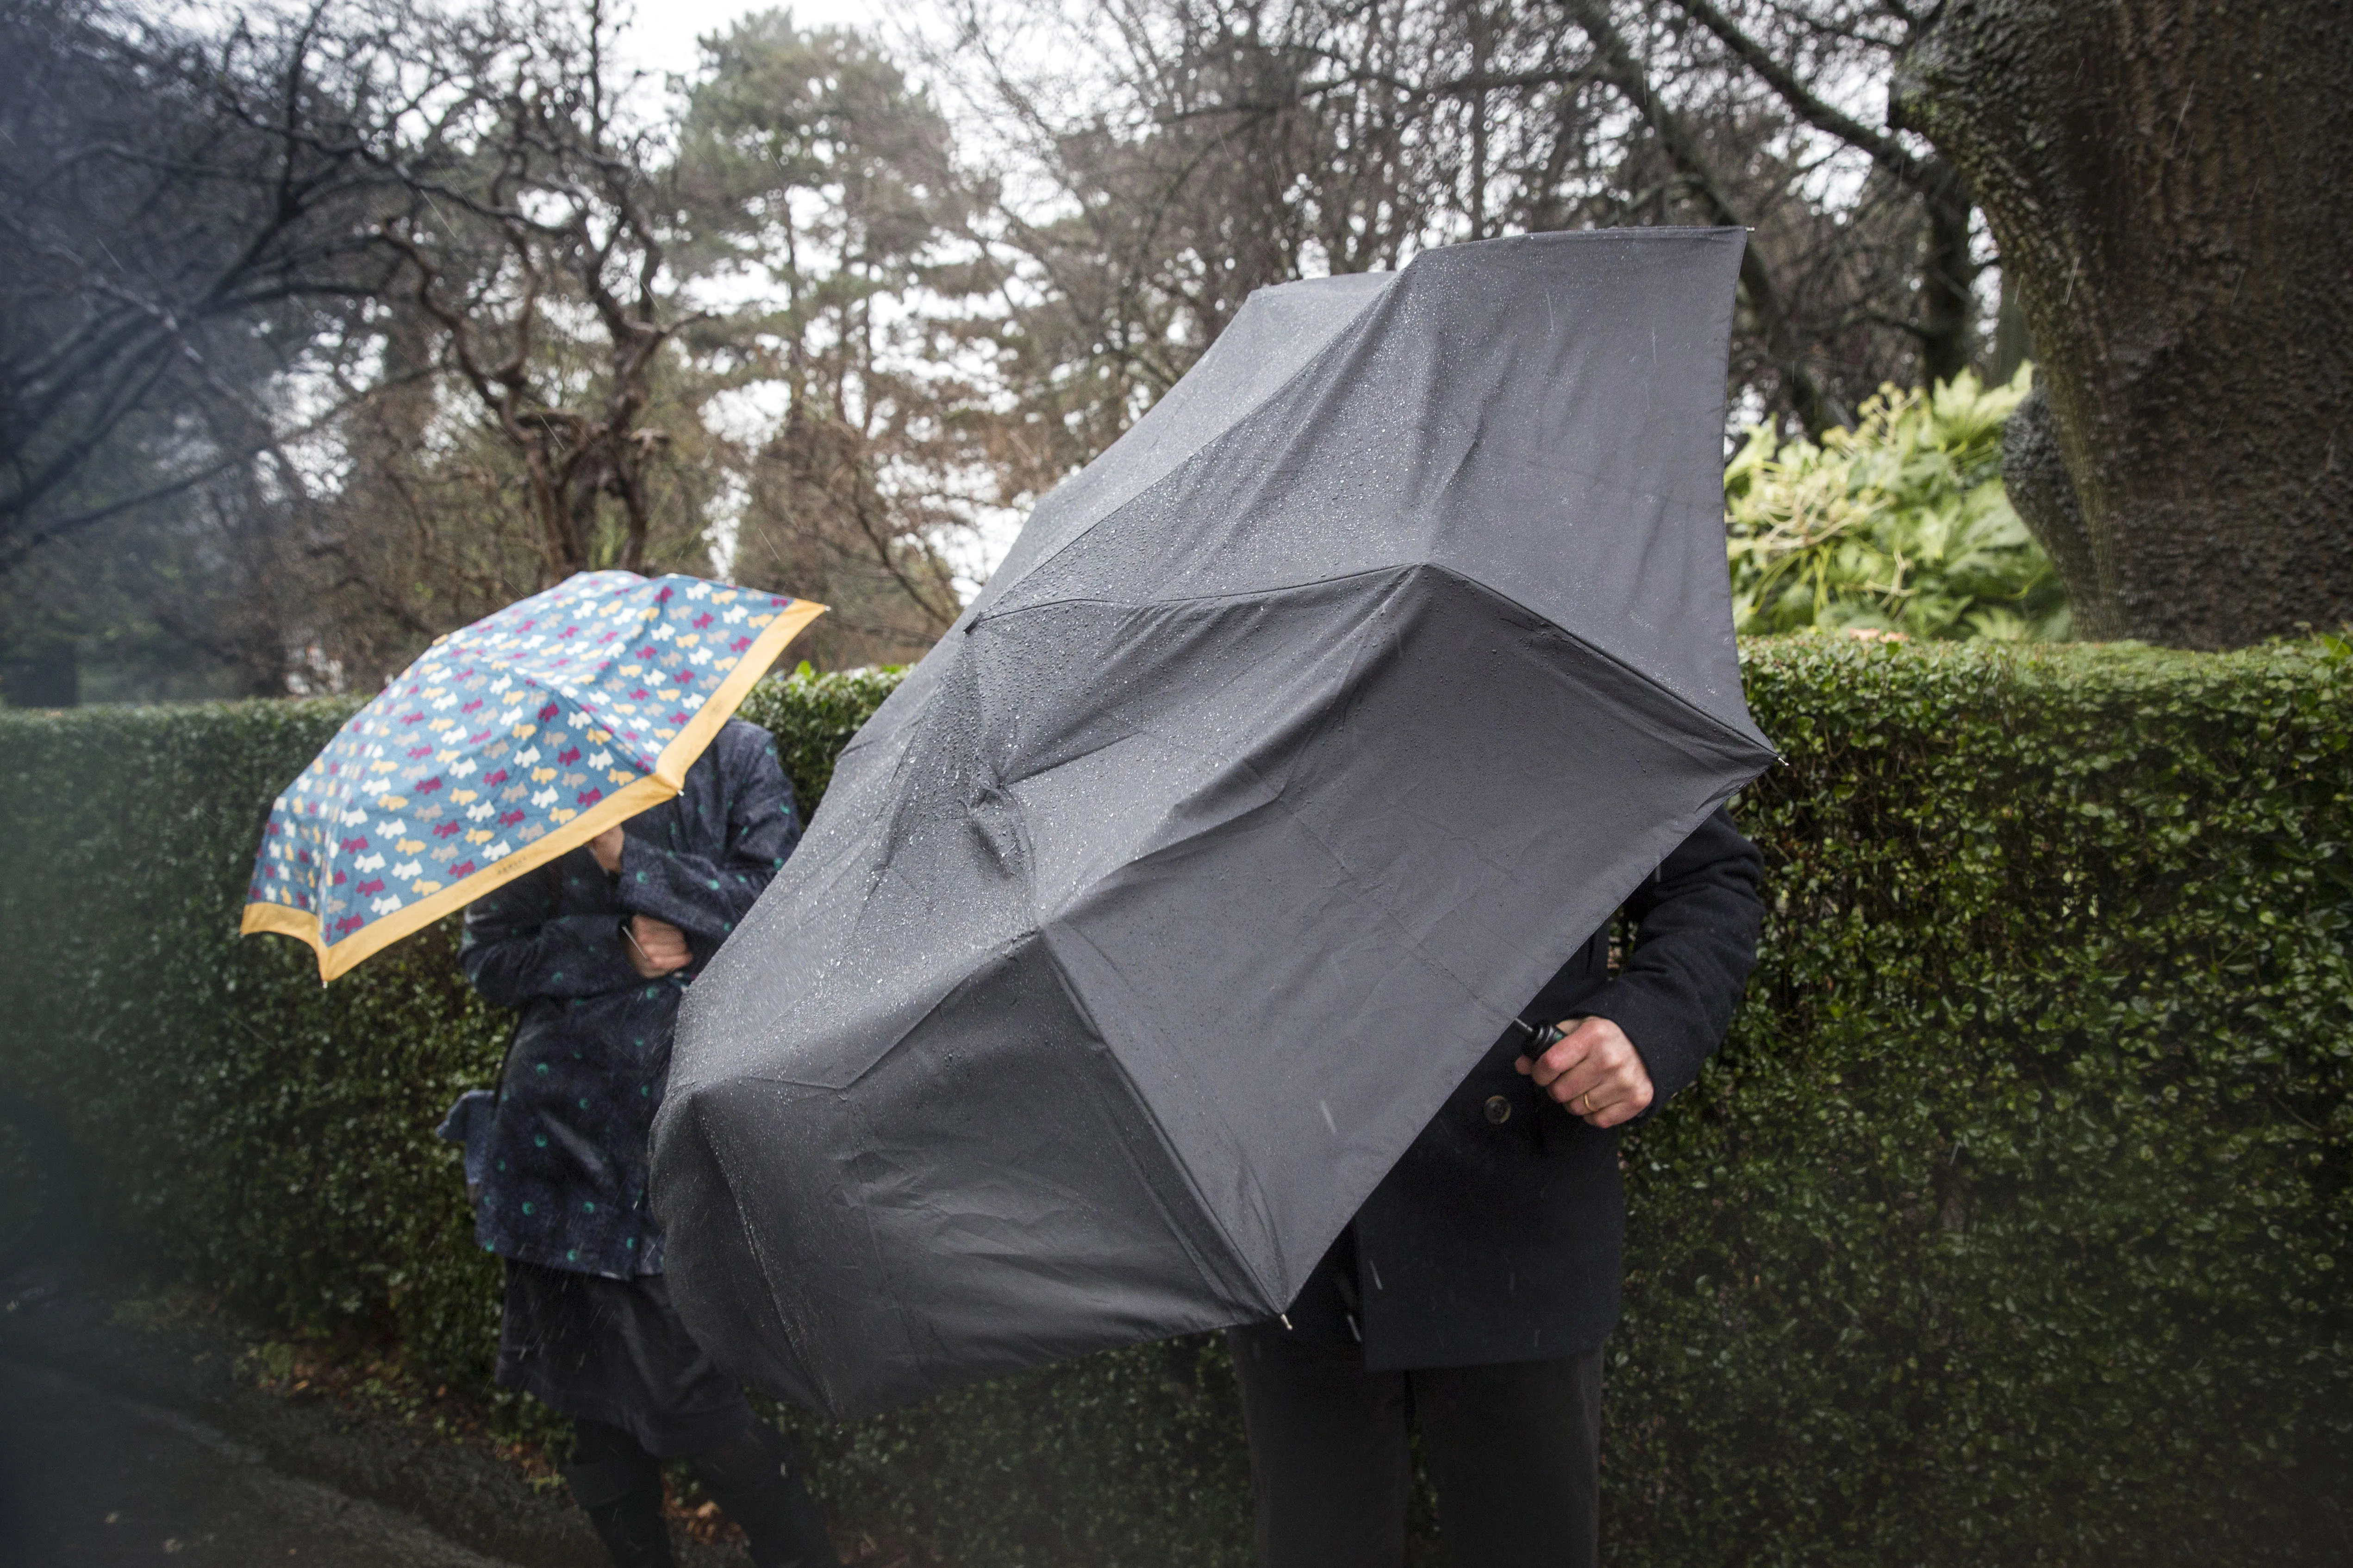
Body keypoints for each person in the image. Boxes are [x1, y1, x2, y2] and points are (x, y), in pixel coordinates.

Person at [1226, 806, 1765, 1568]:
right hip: (1300, 1225)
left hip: (1518, 1216)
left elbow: (1709, 878)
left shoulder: (1568, 694)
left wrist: (1646, 1026)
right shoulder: (1225, 691)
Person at [452, 718, 841, 1568]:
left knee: (694, 1391)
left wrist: (629, 860)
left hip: (673, 1139)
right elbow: (487, 958)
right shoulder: (541, 776)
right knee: (590, 1407)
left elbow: (785, 905)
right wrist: (615, 948)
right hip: (555, 1148)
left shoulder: (738, 755)